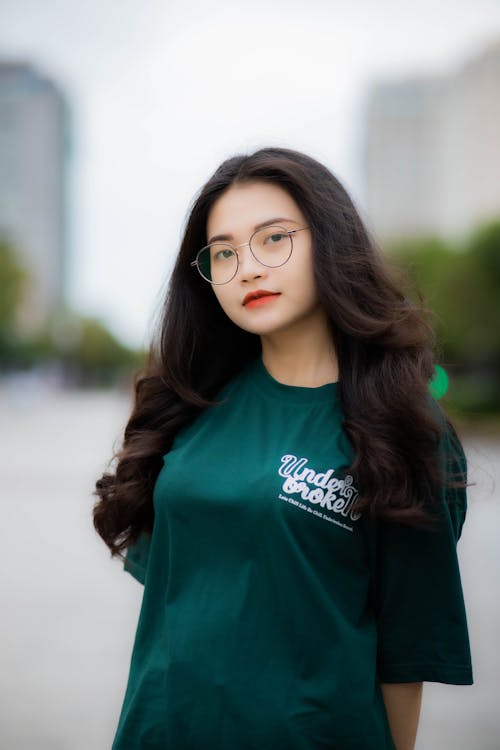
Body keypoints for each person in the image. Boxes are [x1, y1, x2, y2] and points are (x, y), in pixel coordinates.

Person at [93, 146, 473, 750]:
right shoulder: (189, 404)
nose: (247, 268)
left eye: (273, 240)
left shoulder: (401, 428)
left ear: (330, 241)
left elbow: (406, 652)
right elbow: (184, 609)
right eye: (223, 253)